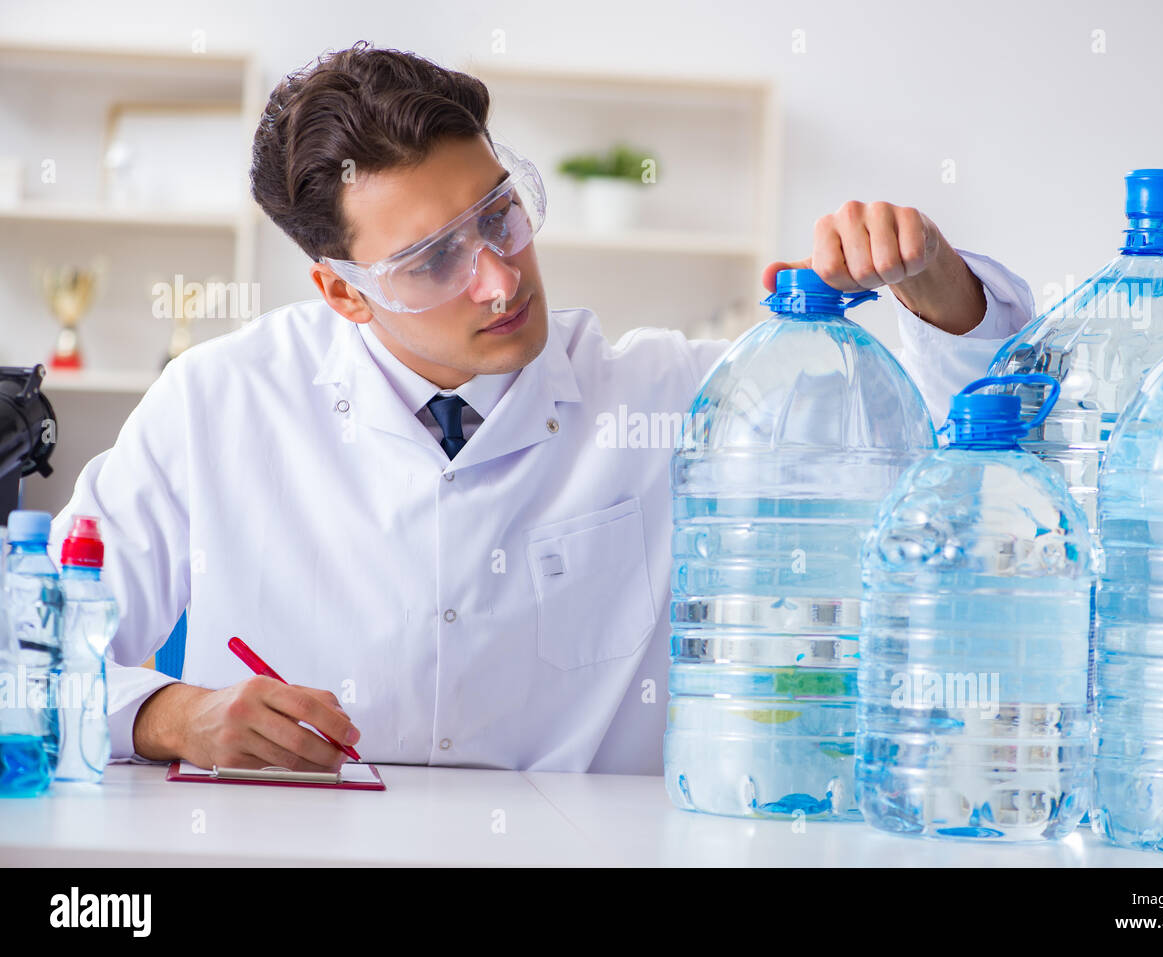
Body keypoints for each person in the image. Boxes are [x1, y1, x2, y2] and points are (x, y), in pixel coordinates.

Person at [52, 42, 1033, 776]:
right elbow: (39, 645)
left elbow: (965, 447)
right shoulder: (219, 403)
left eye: (500, 215)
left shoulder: (670, 397)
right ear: (344, 293)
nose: (497, 279)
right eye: (432, 257)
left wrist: (936, 285)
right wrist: (167, 716)